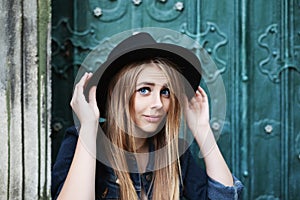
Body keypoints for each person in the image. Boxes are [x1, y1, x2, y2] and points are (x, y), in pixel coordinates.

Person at [51, 32, 243, 200]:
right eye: (144, 90)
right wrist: (88, 128)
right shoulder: (81, 141)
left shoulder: (174, 152)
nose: (158, 104)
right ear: (115, 95)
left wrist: (203, 131)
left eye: (165, 92)